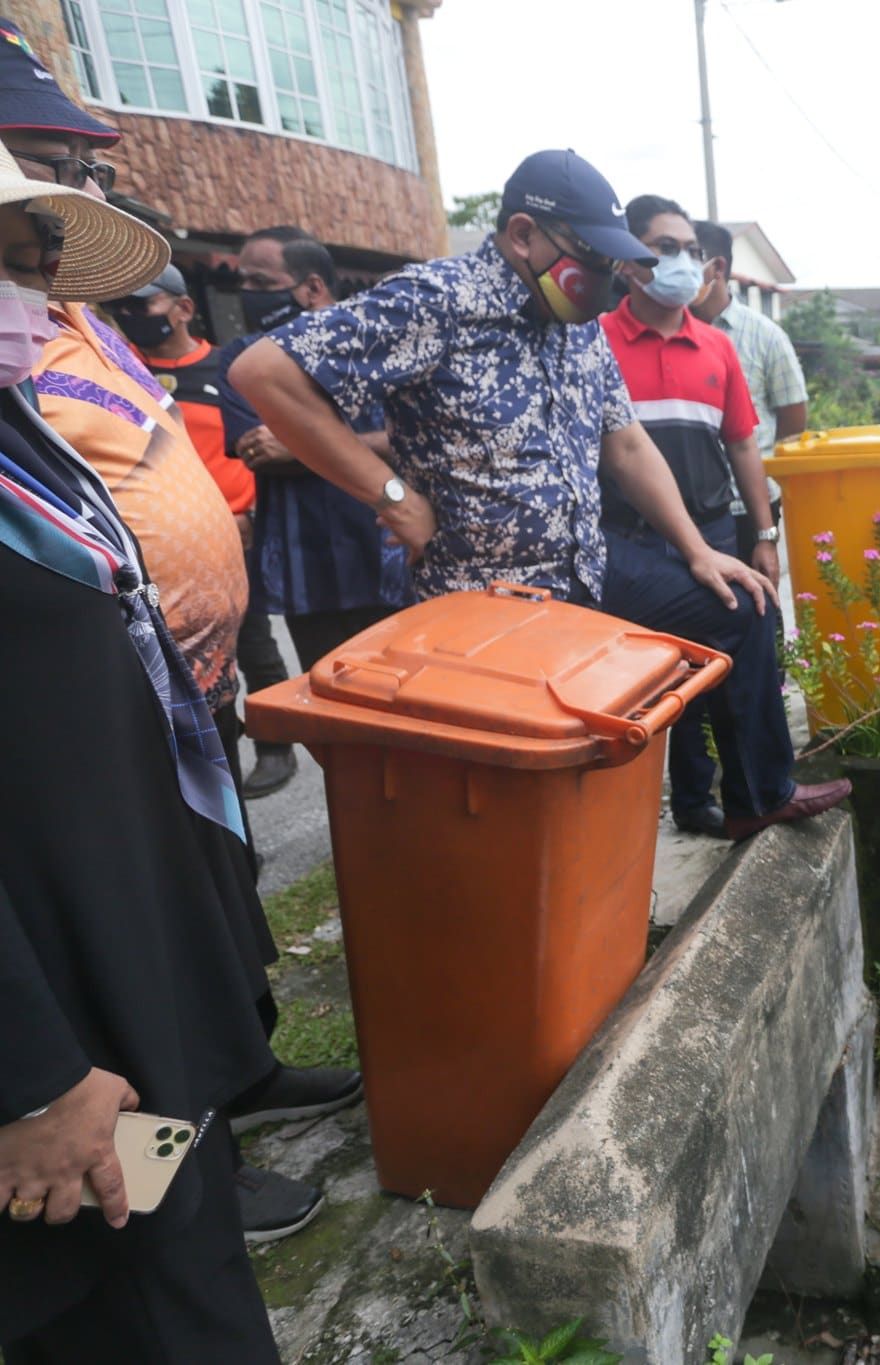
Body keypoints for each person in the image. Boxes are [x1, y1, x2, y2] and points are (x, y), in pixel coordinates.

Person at [0, 23, 360, 1247]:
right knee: (126, 965)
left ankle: (234, 1090)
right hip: (76, 754)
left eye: (80, 181)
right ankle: (182, 1181)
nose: (68, 207)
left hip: (158, 688)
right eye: (44, 174)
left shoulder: (71, 322)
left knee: (210, 910)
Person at [229, 149, 849, 840]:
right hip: (486, 599)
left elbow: (627, 443)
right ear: (523, 234)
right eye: (593, 255)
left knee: (740, 606)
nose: (610, 279)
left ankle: (758, 795)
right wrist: (394, 498)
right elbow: (266, 374)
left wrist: (699, 549)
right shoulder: (438, 299)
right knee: (527, 785)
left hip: (585, 565)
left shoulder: (575, 322)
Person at [0, 141, 283, 1364]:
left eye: (39, 262)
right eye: (11, 266)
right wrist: (30, 1079)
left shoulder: (18, 431)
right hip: (55, 1041)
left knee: (184, 1256)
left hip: (127, 970)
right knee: (119, 1301)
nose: (35, 299)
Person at [603, 197, 779, 835]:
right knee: (645, 685)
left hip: (709, 532)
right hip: (624, 542)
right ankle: (650, 815)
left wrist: (762, 535)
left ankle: (735, 802)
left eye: (691, 250)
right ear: (628, 262)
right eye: (664, 247)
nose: (684, 263)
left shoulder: (717, 348)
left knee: (722, 668)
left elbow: (741, 446)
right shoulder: (594, 343)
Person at [107, 263, 297, 798]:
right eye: (119, 306)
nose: (127, 315)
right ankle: (211, 756)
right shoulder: (121, 374)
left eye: (142, 303)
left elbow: (264, 447)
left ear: (184, 307)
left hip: (234, 536)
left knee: (254, 641)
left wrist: (251, 515)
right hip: (153, 550)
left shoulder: (229, 371)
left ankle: (276, 745)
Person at [216, 226, 408, 669]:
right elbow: (257, 450)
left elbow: (416, 439)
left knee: (412, 699)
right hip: (309, 570)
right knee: (329, 704)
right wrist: (367, 444)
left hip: (391, 550)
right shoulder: (243, 359)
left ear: (313, 288)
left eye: (262, 283)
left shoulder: (377, 346)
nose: (247, 293)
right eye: (242, 282)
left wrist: (294, 444)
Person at [687, 218, 806, 567]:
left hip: (748, 508)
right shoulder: (669, 335)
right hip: (686, 509)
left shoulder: (765, 336)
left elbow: (793, 417)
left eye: (687, 257)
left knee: (757, 608)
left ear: (717, 267)